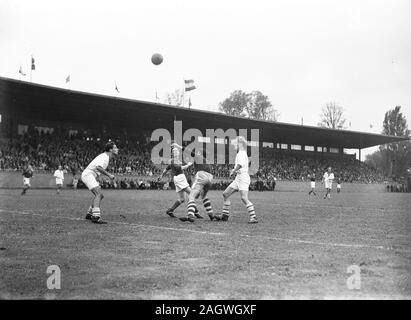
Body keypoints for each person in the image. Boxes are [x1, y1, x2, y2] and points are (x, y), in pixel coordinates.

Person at [214, 136, 257, 224]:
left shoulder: (241, 153)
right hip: (239, 177)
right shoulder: (241, 153)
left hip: (243, 178)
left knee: (244, 198)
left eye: (235, 143)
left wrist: (233, 170)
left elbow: (240, 164)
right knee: (225, 194)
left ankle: (253, 217)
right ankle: (225, 216)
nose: (234, 145)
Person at [158, 145, 202, 219]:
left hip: (180, 178)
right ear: (172, 153)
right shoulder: (172, 161)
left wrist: (161, 175)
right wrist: (188, 165)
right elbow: (180, 168)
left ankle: (170, 210)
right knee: (192, 194)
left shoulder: (177, 160)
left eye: (177, 151)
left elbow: (167, 169)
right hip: (179, 178)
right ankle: (196, 212)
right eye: (175, 151)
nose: (177, 152)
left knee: (182, 199)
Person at [81, 141, 118, 224]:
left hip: (89, 175)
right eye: (115, 148)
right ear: (110, 150)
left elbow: (96, 168)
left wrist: (99, 177)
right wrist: (109, 175)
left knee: (100, 195)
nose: (117, 149)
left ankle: (90, 214)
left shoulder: (105, 157)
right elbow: (98, 167)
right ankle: (96, 217)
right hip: (88, 175)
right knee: (99, 194)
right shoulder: (104, 156)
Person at [179, 149, 215, 223]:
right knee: (204, 195)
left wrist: (177, 146)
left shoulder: (198, 156)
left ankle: (190, 215)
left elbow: (187, 151)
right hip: (210, 178)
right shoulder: (207, 161)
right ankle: (211, 214)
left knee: (191, 196)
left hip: (202, 175)